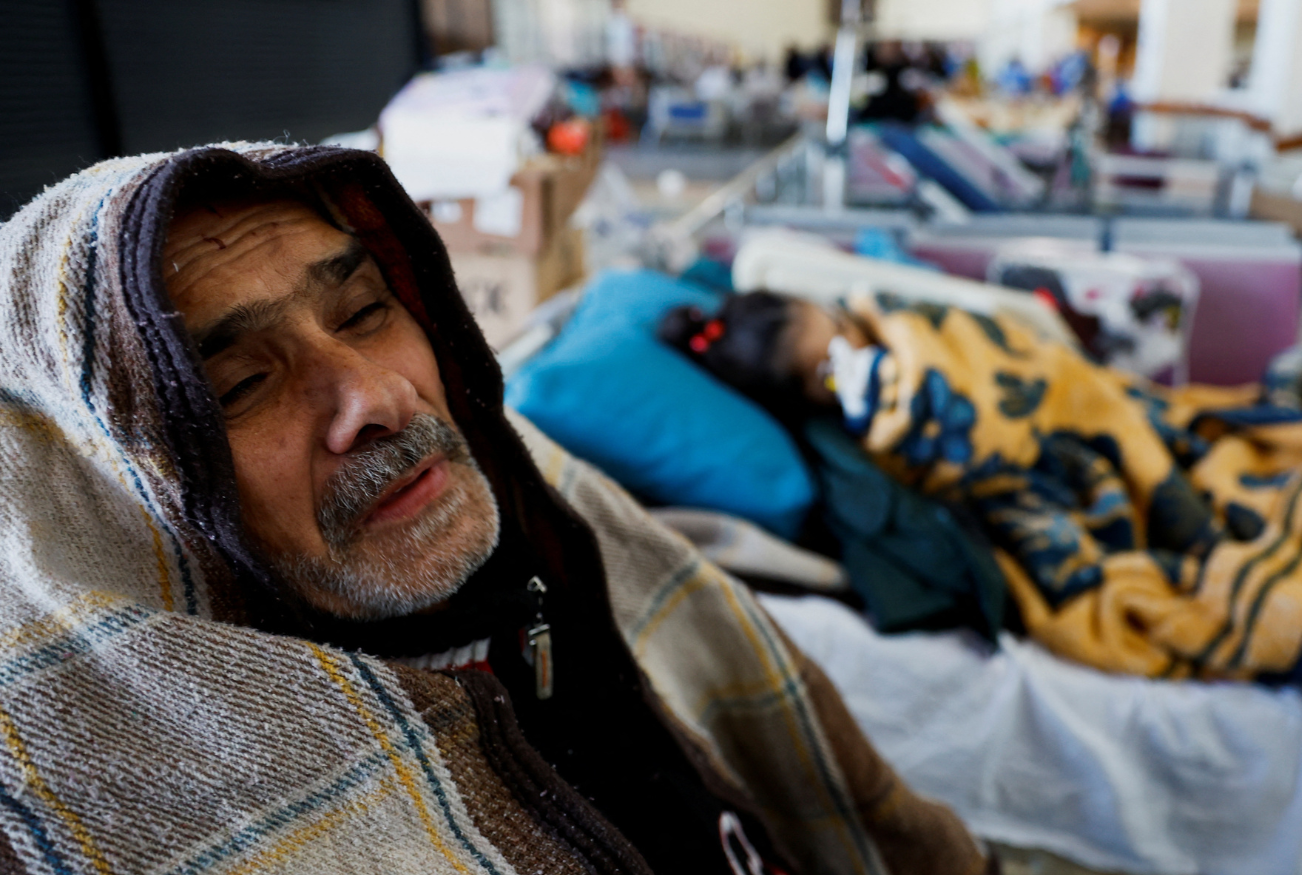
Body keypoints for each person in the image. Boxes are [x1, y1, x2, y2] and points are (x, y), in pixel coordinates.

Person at [0, 145, 990, 875]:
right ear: (118, 493)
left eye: (363, 313)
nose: (378, 401)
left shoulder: (544, 521)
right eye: (236, 389)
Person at [659, 290, 1302, 739]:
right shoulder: (871, 428)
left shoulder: (903, 331)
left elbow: (1040, 370)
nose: (846, 358)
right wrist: (899, 407)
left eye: (840, 333)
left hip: (1128, 421)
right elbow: (982, 451)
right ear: (808, 400)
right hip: (1053, 479)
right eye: (820, 374)